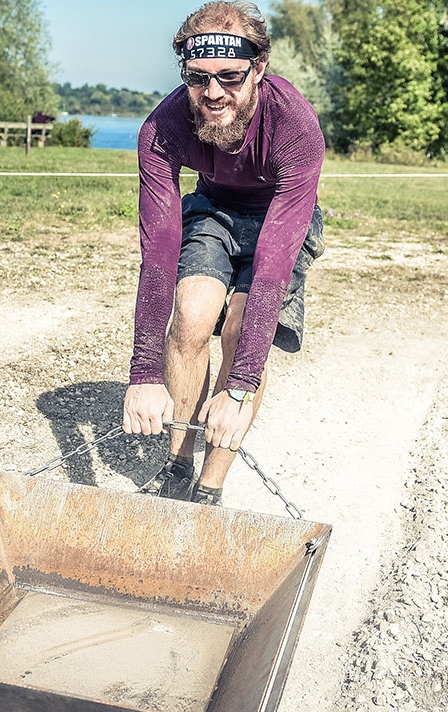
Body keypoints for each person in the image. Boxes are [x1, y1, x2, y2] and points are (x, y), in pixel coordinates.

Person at [121, 0, 325, 506]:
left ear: (259, 68)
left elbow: (273, 266)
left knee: (240, 330)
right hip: (213, 209)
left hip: (278, 216)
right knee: (191, 319)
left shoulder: (295, 126)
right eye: (198, 77)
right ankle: (178, 464)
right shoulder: (163, 127)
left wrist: (239, 387)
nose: (212, 93)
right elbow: (159, 252)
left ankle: (210, 487)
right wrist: (144, 372)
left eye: (230, 77)